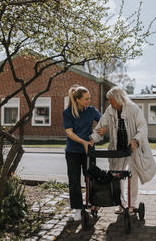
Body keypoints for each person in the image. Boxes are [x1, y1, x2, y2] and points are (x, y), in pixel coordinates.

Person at [90, 86, 156, 214]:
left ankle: (131, 205)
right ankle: (121, 203)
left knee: (133, 176)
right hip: (117, 149)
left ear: (118, 99)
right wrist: (93, 139)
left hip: (132, 149)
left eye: (111, 100)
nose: (109, 102)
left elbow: (142, 127)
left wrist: (136, 140)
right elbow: (100, 128)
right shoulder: (110, 111)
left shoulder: (133, 109)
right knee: (117, 177)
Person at [63, 85, 101, 221]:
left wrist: (99, 132)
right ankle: (77, 210)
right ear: (78, 99)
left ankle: (93, 205)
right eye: (86, 99)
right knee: (74, 181)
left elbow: (103, 122)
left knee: (90, 179)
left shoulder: (91, 111)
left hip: (89, 152)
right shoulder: (68, 112)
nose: (89, 101)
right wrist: (83, 142)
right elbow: (69, 132)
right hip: (73, 151)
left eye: (89, 98)